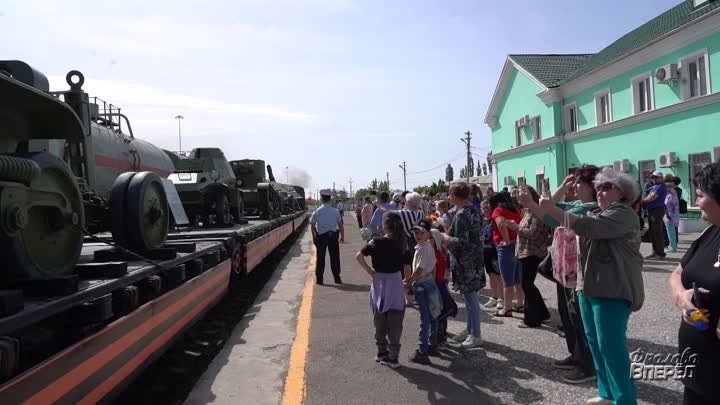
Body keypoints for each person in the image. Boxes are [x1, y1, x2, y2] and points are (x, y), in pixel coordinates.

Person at [543, 168, 644, 405]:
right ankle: (607, 392)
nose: (600, 191)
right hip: (588, 286)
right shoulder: (597, 211)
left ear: (623, 193)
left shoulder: (623, 213)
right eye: (598, 187)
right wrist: (550, 205)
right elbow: (554, 217)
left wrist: (550, 207)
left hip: (612, 289)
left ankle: (625, 400)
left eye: (607, 187)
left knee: (611, 347)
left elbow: (588, 227)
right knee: (596, 344)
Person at [522, 165, 600, 385]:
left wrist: (536, 202)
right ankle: (576, 355)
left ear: (590, 186)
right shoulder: (577, 204)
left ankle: (587, 366)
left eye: (578, 182)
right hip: (564, 271)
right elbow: (547, 210)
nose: (574, 186)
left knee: (580, 319)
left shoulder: (590, 209)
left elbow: (550, 213)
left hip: (578, 273)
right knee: (568, 317)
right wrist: (559, 190)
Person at [669, 162, 720, 405]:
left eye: (700, 196)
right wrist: (682, 298)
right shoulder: (710, 233)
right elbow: (677, 273)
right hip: (696, 370)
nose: (696, 202)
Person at [356, 211, 411, 369]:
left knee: (379, 320)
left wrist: (371, 272)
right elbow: (407, 268)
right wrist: (407, 287)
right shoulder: (403, 242)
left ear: (385, 226)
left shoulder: (376, 242)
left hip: (379, 282)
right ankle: (393, 357)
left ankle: (381, 352)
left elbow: (359, 256)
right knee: (395, 322)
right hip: (395, 282)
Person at [443, 182, 485, 348]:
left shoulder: (461, 214)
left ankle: (475, 334)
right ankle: (470, 329)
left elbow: (460, 242)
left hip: (466, 262)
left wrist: (443, 237)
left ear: (455, 196)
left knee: (471, 298)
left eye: (450, 194)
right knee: (469, 297)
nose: (448, 197)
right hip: (475, 259)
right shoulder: (474, 209)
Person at [509, 186, 551, 328]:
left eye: (521, 194)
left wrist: (516, 227)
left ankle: (532, 319)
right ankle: (543, 313)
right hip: (525, 252)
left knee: (527, 285)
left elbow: (533, 233)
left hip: (533, 252)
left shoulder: (537, 211)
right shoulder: (528, 211)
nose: (518, 197)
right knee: (528, 285)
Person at [404, 218, 441, 364]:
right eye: (415, 232)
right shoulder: (425, 247)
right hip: (429, 282)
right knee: (433, 314)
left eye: (421, 232)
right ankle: (433, 344)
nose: (417, 235)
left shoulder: (424, 248)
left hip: (422, 284)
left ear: (428, 234)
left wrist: (409, 281)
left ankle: (423, 350)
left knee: (425, 318)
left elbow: (419, 270)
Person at [490, 191, 523, 316]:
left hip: (506, 247)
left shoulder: (498, 210)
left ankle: (507, 308)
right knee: (517, 279)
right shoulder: (515, 209)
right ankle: (520, 304)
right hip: (517, 244)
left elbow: (501, 223)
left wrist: (507, 240)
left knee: (507, 279)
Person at [310, 193, 345, 285]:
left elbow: (312, 225)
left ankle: (320, 279)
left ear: (322, 200)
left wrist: (314, 237)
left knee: (320, 258)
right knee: (335, 257)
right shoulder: (336, 211)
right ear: (330, 200)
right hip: (333, 236)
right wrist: (342, 236)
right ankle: (337, 278)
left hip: (321, 237)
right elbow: (340, 225)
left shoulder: (317, 211)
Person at [481, 200, 503, 309]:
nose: (486, 209)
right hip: (485, 250)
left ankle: (501, 299)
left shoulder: (495, 219)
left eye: (487, 207)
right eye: (484, 207)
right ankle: (494, 297)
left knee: (498, 275)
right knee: (490, 274)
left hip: (495, 249)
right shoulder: (481, 221)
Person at [641, 170, 668, 259]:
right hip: (652, 210)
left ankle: (660, 253)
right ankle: (655, 251)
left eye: (655, 177)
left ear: (660, 177)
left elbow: (652, 198)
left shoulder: (660, 186)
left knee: (657, 231)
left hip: (657, 210)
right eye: (652, 177)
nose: (653, 179)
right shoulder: (655, 186)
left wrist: (641, 201)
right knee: (652, 231)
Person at [664, 174, 680, 253]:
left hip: (670, 214)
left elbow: (667, 204)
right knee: (671, 231)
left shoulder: (670, 194)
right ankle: (672, 246)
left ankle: (673, 247)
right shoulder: (674, 192)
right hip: (673, 214)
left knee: (671, 231)